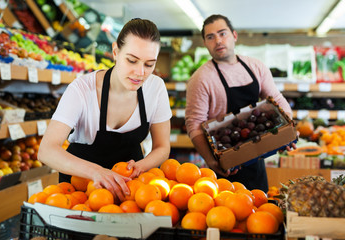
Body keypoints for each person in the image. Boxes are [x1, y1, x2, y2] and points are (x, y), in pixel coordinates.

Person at [38, 19, 172, 201]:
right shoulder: (82, 90)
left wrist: (141, 166)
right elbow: (46, 150)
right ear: (116, 52)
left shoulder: (155, 88)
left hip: (129, 189)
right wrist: (98, 173)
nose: (140, 72)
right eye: (132, 61)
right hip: (81, 191)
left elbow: (162, 146)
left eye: (149, 64)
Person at [185, 14, 293, 192]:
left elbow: (276, 98)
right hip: (225, 163)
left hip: (257, 154)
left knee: (260, 211)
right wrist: (212, 162)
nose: (218, 41)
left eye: (222, 33)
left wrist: (287, 131)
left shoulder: (255, 67)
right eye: (210, 37)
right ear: (205, 43)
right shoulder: (200, 79)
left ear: (234, 36)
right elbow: (194, 124)